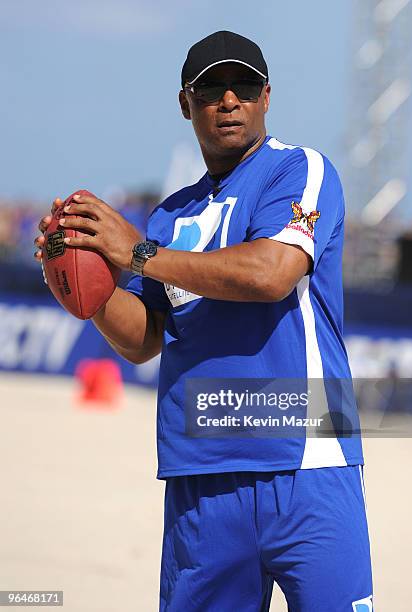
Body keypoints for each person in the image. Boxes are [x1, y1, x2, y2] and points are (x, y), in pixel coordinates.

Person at [35, 30, 373, 612]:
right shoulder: (171, 214)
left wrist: (137, 253)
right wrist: (78, 281)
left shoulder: (299, 170)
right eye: (210, 88)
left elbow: (272, 273)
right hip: (203, 468)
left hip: (309, 463)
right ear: (184, 103)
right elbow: (143, 339)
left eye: (242, 86)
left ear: (266, 96)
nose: (228, 100)